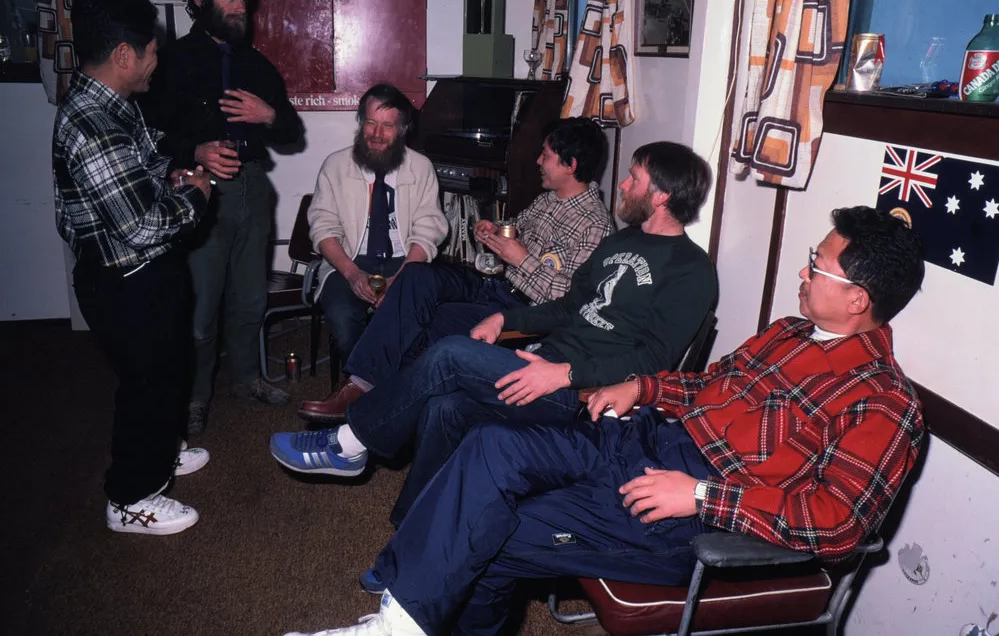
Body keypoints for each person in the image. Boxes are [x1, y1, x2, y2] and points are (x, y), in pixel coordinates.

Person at [280, 205, 927, 636]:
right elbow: (707, 386)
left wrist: (700, 494)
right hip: (645, 438)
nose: (802, 271)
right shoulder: (790, 332)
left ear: (857, 298)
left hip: (683, 508)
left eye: (815, 264)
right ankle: (400, 621)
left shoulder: (883, 403)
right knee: (489, 445)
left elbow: (837, 522)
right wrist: (641, 385)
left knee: (491, 537)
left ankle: (400, 619)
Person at [271, 141, 718, 528]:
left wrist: (566, 374)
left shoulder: (691, 270)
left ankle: (352, 444)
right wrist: (507, 321)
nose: (622, 185)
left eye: (633, 179)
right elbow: (567, 306)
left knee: (450, 354)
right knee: (444, 409)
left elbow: (653, 361)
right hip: (543, 361)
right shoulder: (621, 243)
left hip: (581, 394)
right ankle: (412, 533)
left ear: (661, 195)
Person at [299, 116, 615, 422]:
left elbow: (570, 302)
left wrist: (521, 259)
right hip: (495, 286)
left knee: (416, 332)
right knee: (415, 276)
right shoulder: (549, 200)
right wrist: (495, 231)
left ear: (570, 165)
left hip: (523, 313)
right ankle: (361, 387)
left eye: (546, 156)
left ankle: (363, 397)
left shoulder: (596, 226)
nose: (537, 161)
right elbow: (515, 229)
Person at [53, 0, 214, 535]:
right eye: (149, 50)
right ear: (123, 55)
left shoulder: (116, 106)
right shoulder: (92, 126)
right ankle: (129, 497)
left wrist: (173, 176)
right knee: (146, 383)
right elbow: (141, 225)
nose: (155, 59)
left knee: (167, 373)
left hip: (144, 271)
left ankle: (161, 452)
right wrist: (197, 194)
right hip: (122, 279)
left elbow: (143, 166)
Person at [140, 0, 305, 435]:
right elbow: (146, 138)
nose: (241, 8)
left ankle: (249, 378)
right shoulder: (169, 63)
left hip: (254, 187)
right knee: (200, 304)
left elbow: (291, 132)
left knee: (252, 297)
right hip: (198, 193)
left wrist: (269, 114)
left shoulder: (255, 64)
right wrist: (195, 149)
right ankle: (194, 396)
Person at [304, 83, 448, 404]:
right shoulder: (335, 166)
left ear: (403, 130)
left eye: (387, 126)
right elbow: (323, 226)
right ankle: (369, 394)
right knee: (343, 317)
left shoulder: (421, 167)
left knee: (421, 321)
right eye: (370, 123)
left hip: (406, 261)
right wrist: (352, 274)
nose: (377, 133)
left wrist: (404, 278)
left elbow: (429, 229)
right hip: (351, 260)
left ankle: (391, 393)